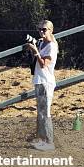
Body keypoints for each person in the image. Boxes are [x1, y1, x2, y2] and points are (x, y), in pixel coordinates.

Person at [25, 20, 58, 151]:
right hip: (39, 80)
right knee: (41, 112)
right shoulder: (43, 43)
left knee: (45, 113)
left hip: (46, 81)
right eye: (39, 29)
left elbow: (44, 64)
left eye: (44, 29)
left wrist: (35, 51)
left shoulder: (51, 46)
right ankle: (42, 140)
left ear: (51, 30)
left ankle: (49, 142)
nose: (41, 31)